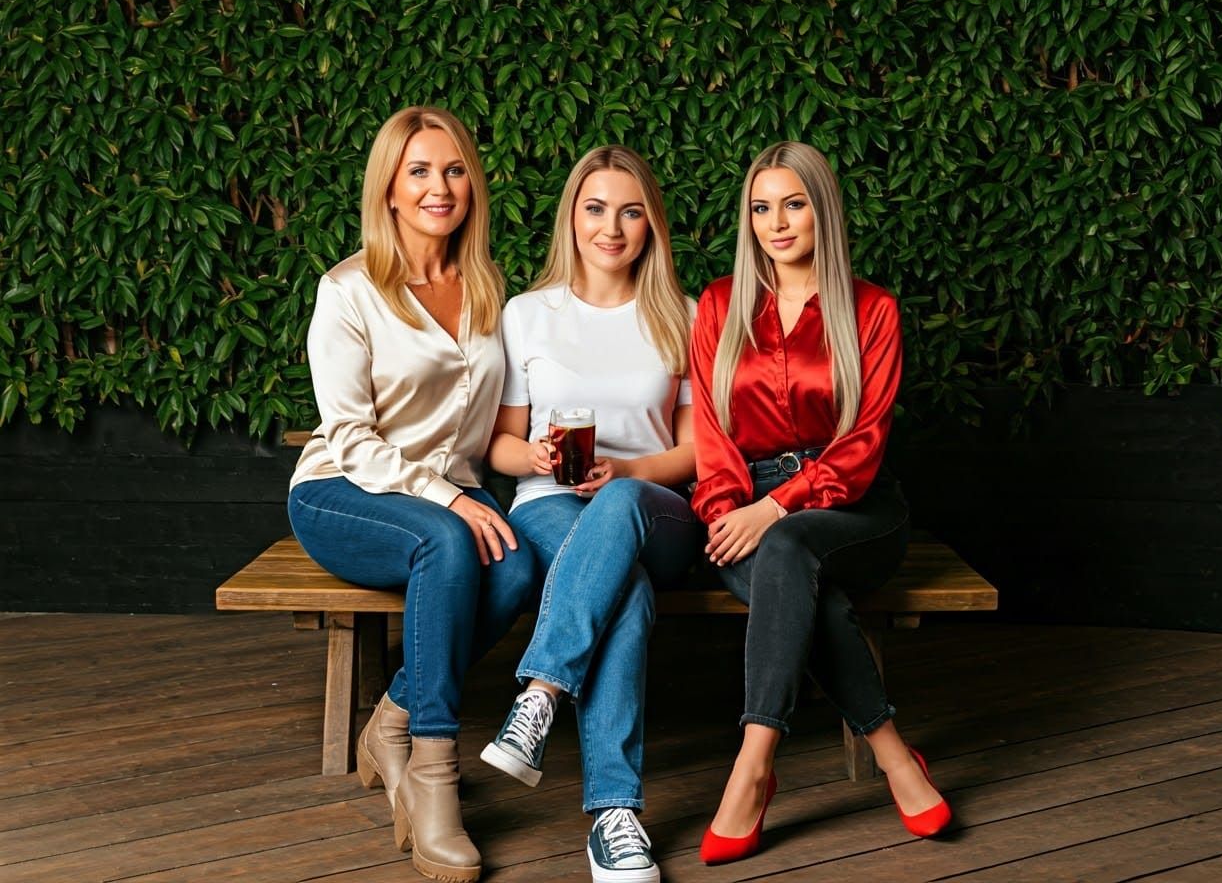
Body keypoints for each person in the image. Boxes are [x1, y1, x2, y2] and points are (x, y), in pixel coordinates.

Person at [286, 106, 537, 883]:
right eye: (420, 171)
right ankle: (433, 776)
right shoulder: (348, 291)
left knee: (524, 566)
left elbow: (492, 426)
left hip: (449, 496)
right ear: (389, 189)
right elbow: (352, 438)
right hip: (344, 490)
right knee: (450, 540)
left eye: (455, 169)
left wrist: (530, 458)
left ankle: (389, 719)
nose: (440, 186)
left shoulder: (488, 288)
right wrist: (451, 500)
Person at [689, 141, 952, 865]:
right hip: (743, 505)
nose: (777, 222)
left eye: (794, 203)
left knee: (790, 546)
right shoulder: (719, 304)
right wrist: (724, 510)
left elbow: (864, 444)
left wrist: (776, 509)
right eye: (761, 207)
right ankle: (897, 757)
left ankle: (751, 767)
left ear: (822, 210)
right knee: (803, 586)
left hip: (856, 508)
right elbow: (710, 435)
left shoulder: (873, 309)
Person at [480, 146, 702, 883]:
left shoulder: (685, 315)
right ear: (571, 218)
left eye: (631, 211)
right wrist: (535, 459)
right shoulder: (527, 315)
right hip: (550, 506)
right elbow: (502, 444)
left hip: (655, 507)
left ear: (651, 225)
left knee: (626, 503)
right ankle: (616, 816)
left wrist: (629, 471)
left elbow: (696, 452)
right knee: (625, 593)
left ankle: (539, 691)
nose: (612, 227)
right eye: (596, 209)